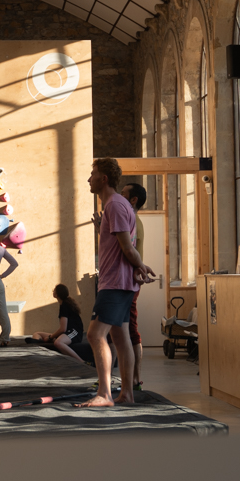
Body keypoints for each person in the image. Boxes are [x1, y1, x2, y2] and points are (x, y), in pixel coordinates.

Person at [77, 157, 154, 407]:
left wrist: (140, 265)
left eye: (93, 174)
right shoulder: (115, 205)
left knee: (95, 334)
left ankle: (105, 394)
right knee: (120, 338)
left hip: (115, 283)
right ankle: (127, 394)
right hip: (117, 281)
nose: (89, 179)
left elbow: (128, 248)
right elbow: (121, 245)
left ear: (104, 178)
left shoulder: (115, 205)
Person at [120, 182, 148, 393]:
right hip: (124, 281)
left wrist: (139, 269)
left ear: (133, 199)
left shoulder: (133, 221)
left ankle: (136, 380)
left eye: (123, 194)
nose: (119, 197)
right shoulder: (130, 219)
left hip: (129, 283)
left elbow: (129, 251)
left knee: (130, 331)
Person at [32, 283, 89, 364]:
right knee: (37, 333)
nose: (53, 292)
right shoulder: (64, 304)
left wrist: (50, 337)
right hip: (67, 332)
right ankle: (37, 343)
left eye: (54, 290)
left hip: (74, 332)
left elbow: (63, 329)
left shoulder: (65, 305)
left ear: (57, 293)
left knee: (58, 343)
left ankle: (82, 361)